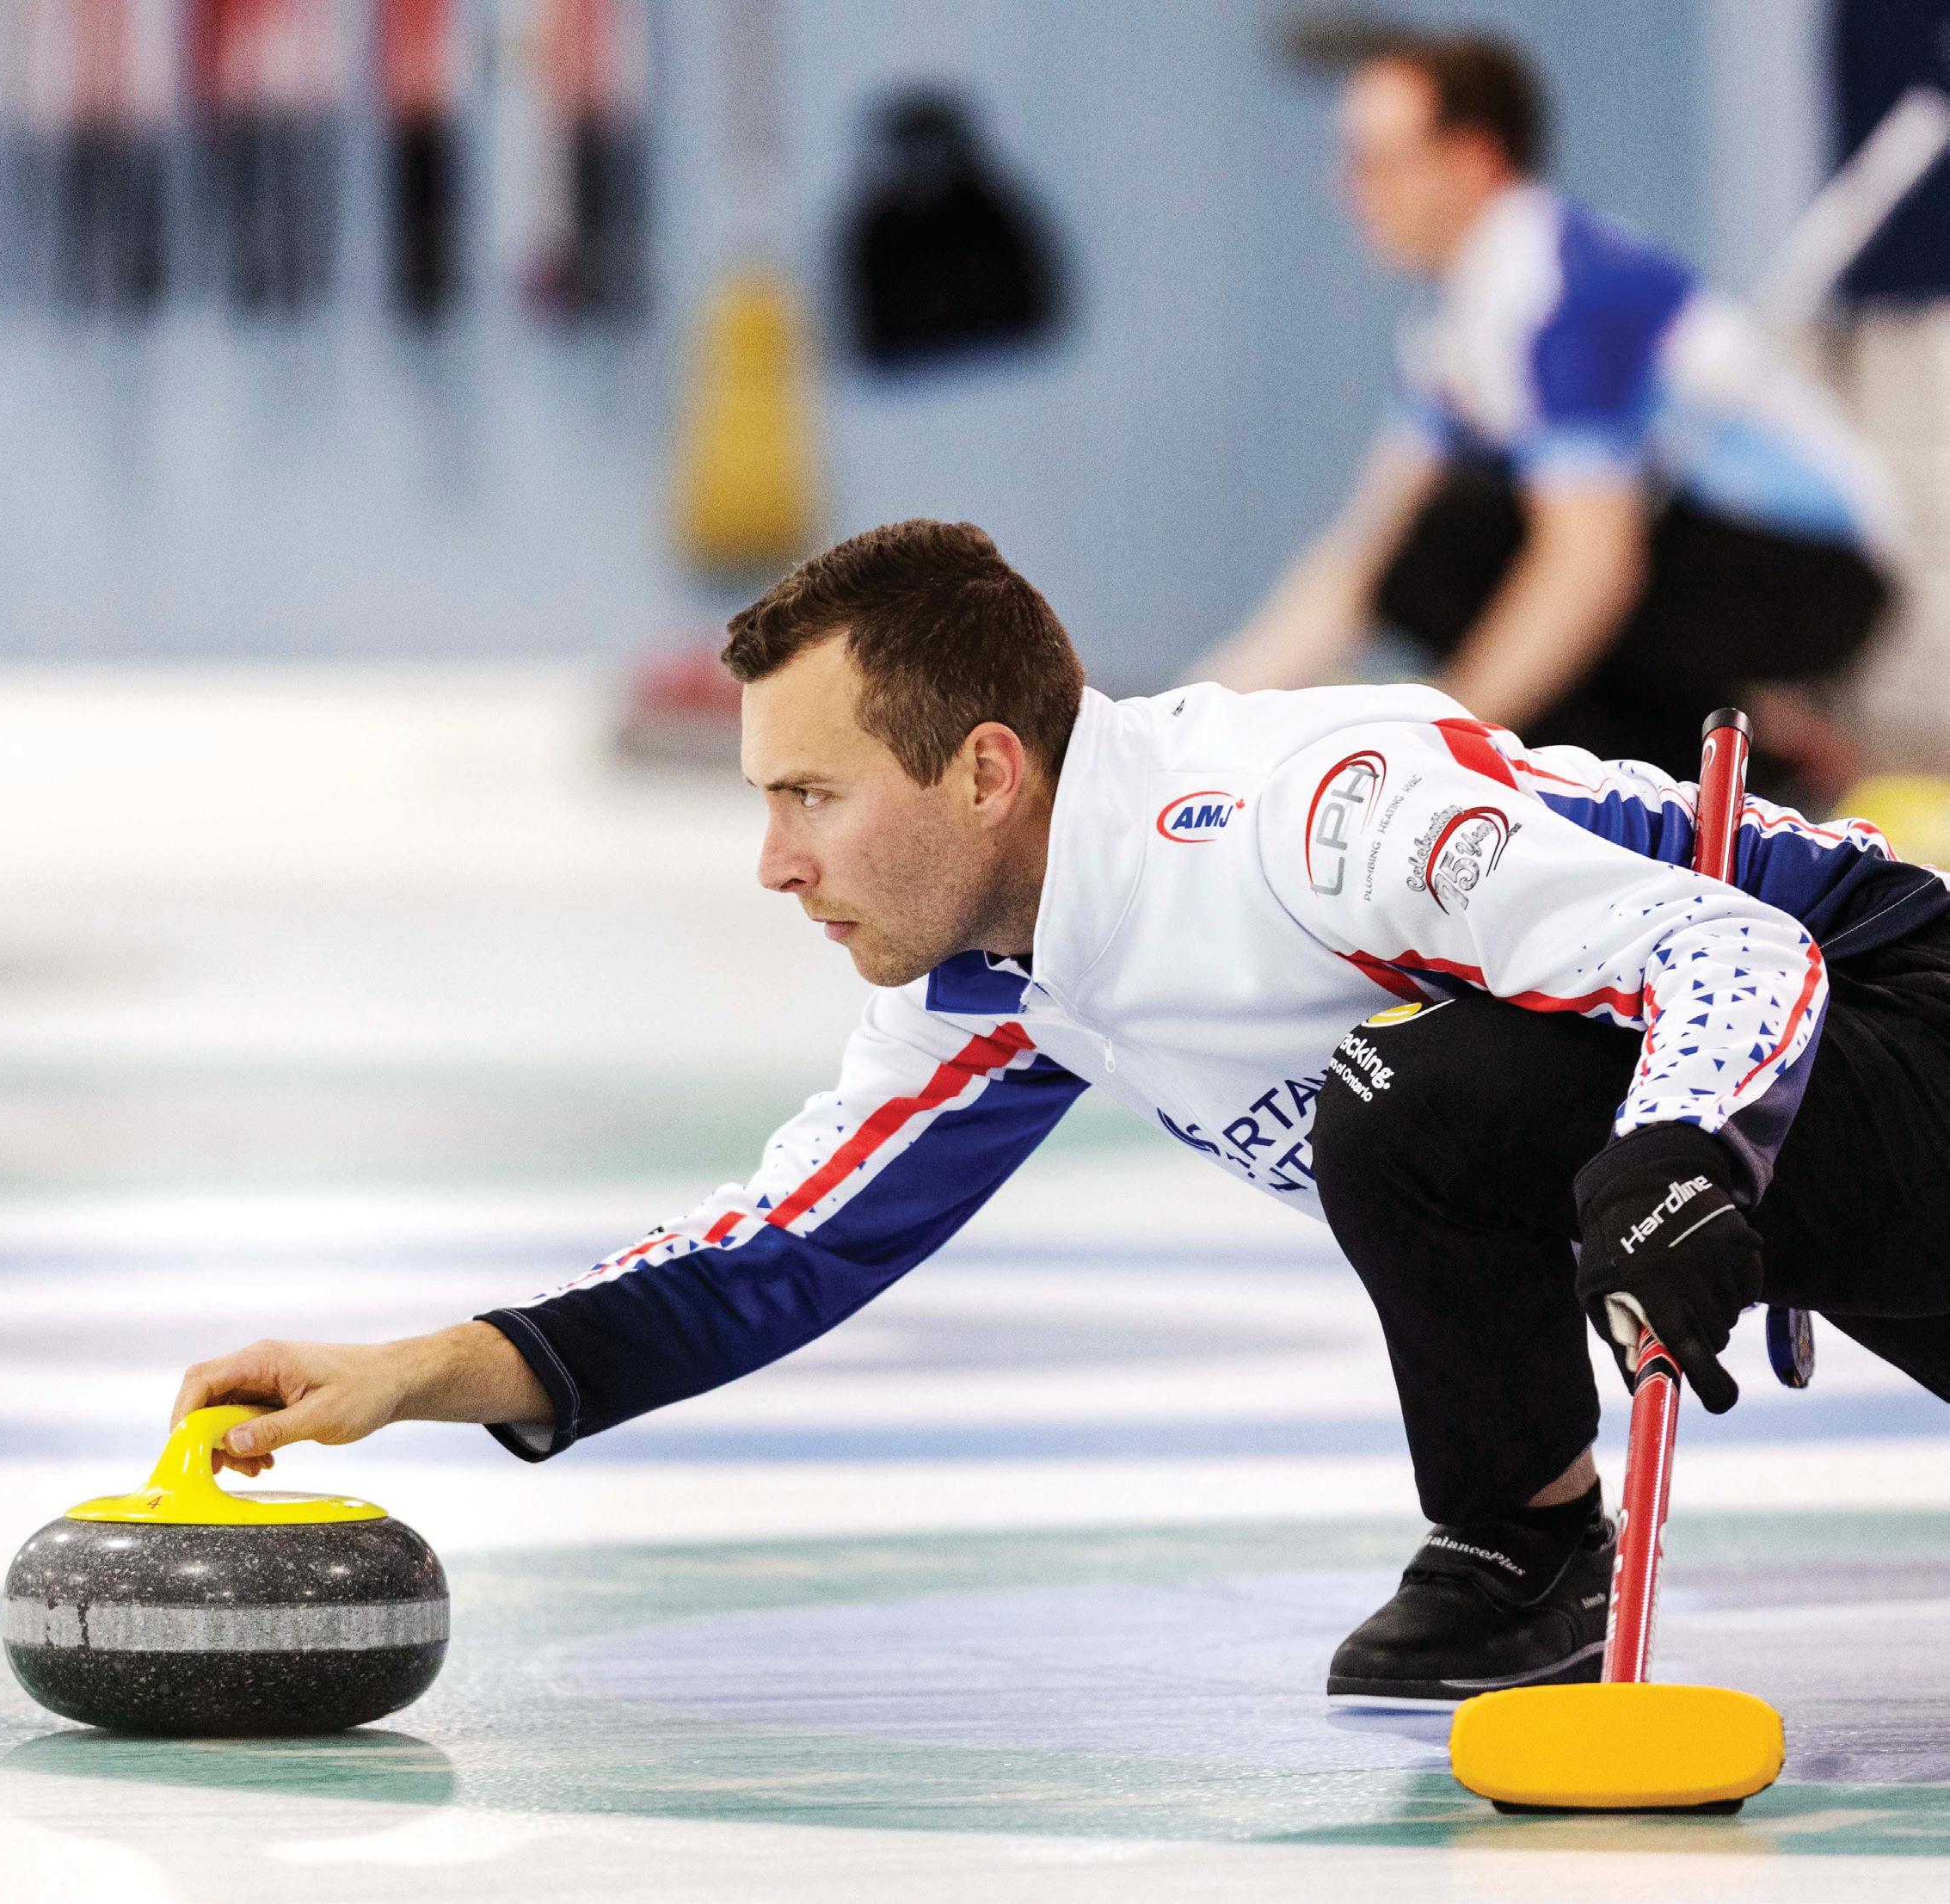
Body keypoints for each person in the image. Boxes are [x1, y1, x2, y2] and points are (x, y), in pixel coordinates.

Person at [176, 520, 1950, 1704]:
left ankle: (1518, 1543)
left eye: (811, 791)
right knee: (1408, 1096)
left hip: (1890, 1026)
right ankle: (1527, 1543)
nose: (772, 859)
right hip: (1829, 1172)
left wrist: (1679, 1145)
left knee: (1402, 1094)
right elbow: (773, 1252)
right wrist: (417, 1368)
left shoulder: (1300, 815)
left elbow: (1721, 944)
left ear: (983, 768)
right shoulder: (1007, 975)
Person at [1201, 33, 1900, 810]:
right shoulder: (1455, 322)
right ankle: (1758, 756)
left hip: (1817, 572)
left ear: (1469, 160)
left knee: (1457, 551)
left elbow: (1589, 566)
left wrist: (1438, 747)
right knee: (1426, 559)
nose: (1349, 189)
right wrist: (1189, 722)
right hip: (1717, 556)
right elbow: (1359, 559)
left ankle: (1725, 781)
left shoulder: (1553, 293)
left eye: (1376, 162)